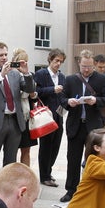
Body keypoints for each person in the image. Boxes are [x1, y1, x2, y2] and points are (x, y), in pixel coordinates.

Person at [0, 41, 36, 198]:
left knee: (10, 161)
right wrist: (0, 76)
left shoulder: (15, 74)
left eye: (6, 54)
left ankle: (6, 193)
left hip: (14, 121)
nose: (4, 58)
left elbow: (30, 90)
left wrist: (26, 73)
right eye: (0, 55)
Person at [58, 49, 105, 204]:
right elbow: (62, 97)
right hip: (75, 125)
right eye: (84, 66)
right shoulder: (70, 80)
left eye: (89, 66)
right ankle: (71, 190)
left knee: (93, 160)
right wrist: (68, 102)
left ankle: (92, 189)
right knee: (73, 159)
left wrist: (96, 101)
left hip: (93, 127)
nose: (87, 69)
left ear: (93, 64)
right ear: (79, 64)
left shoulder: (101, 79)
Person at [34, 48, 66, 188]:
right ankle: (44, 176)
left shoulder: (62, 77)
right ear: (50, 60)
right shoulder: (41, 74)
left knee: (56, 146)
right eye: (56, 61)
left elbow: (64, 95)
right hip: (45, 116)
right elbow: (36, 92)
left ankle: (49, 171)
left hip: (59, 115)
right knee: (46, 147)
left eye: (60, 61)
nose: (58, 64)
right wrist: (52, 90)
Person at [12, 48, 38, 167]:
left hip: (26, 117)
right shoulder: (10, 74)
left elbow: (33, 95)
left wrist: (26, 74)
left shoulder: (29, 75)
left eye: (26, 61)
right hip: (13, 117)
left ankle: (25, 176)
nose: (23, 64)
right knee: (11, 151)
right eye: (21, 62)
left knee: (26, 150)